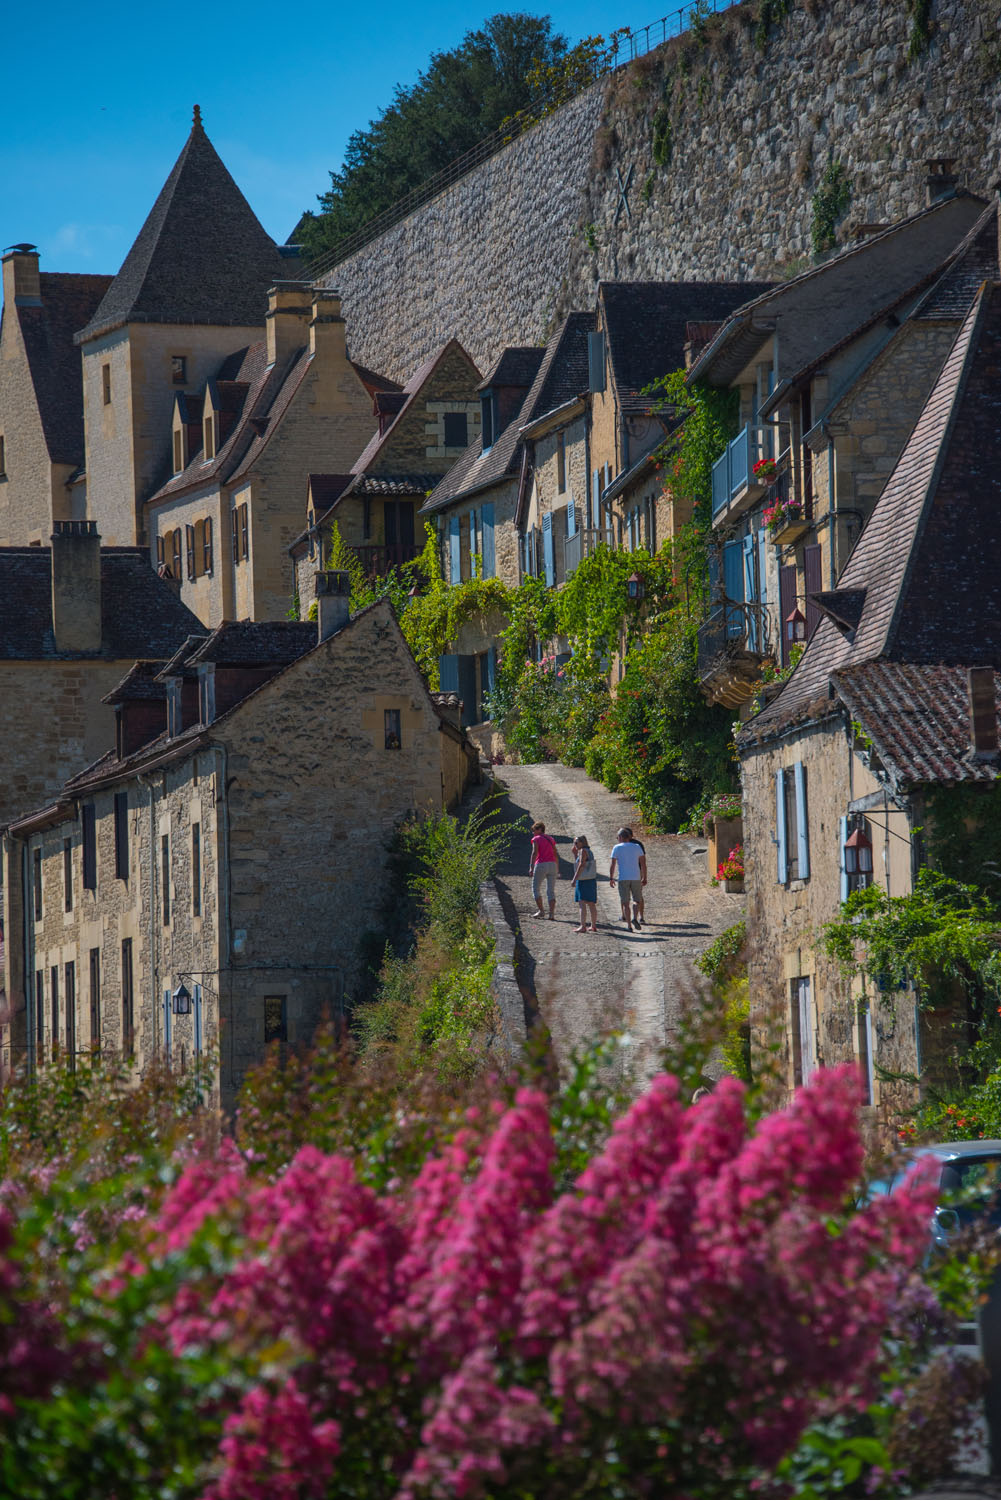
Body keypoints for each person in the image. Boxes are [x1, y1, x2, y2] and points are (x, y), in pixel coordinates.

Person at [609, 825, 646, 931]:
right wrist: (644, 877)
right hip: (636, 877)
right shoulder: (637, 847)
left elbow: (613, 864)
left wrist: (611, 878)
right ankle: (635, 917)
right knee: (636, 900)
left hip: (623, 877)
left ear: (620, 837)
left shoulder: (617, 848)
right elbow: (643, 863)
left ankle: (629, 925)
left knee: (625, 903)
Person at [528, 820, 558, 920]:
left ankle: (541, 911)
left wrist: (531, 867)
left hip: (541, 864)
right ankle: (552, 914)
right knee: (551, 891)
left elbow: (534, 853)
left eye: (535, 830)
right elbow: (555, 853)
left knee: (535, 888)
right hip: (552, 865)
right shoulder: (551, 839)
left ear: (540, 829)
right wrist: (557, 867)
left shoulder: (536, 839)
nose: (533, 832)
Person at [570, 835, 598, 933]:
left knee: (582, 903)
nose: (575, 845)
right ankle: (593, 925)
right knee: (591, 903)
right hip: (590, 879)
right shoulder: (589, 851)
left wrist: (574, 879)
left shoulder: (583, 851)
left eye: (576, 843)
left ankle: (583, 926)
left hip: (583, 880)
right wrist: (575, 854)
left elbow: (581, 865)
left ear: (582, 842)